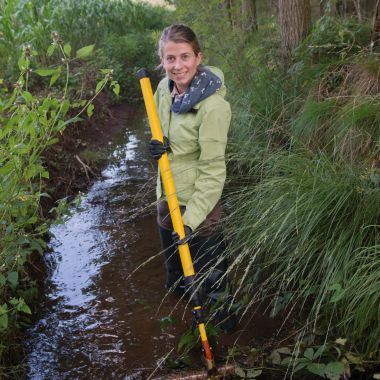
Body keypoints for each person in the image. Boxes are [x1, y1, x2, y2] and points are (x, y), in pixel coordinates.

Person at [149, 24, 233, 331]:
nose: (177, 65)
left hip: (201, 204)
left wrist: (190, 220)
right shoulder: (161, 88)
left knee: (214, 282)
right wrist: (157, 144)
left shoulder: (214, 107)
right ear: (162, 60)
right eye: (170, 58)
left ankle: (225, 333)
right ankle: (183, 326)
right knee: (176, 278)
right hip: (167, 195)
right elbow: (160, 127)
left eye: (185, 57)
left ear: (198, 58)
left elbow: (213, 171)